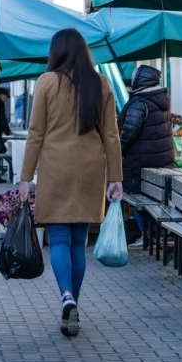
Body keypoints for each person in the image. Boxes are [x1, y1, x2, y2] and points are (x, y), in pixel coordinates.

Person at [18, 28, 123, 337]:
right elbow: (112, 135)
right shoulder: (100, 83)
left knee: (60, 239)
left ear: (57, 52)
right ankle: (73, 302)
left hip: (56, 168)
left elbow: (36, 133)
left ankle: (66, 297)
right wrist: (116, 177)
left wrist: (25, 178)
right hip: (92, 168)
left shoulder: (47, 82)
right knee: (80, 242)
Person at [118, 65, 174, 248]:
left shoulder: (140, 102)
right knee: (153, 200)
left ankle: (147, 236)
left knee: (137, 199)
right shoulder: (161, 99)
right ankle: (152, 235)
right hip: (161, 161)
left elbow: (129, 132)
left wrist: (116, 150)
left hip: (139, 162)